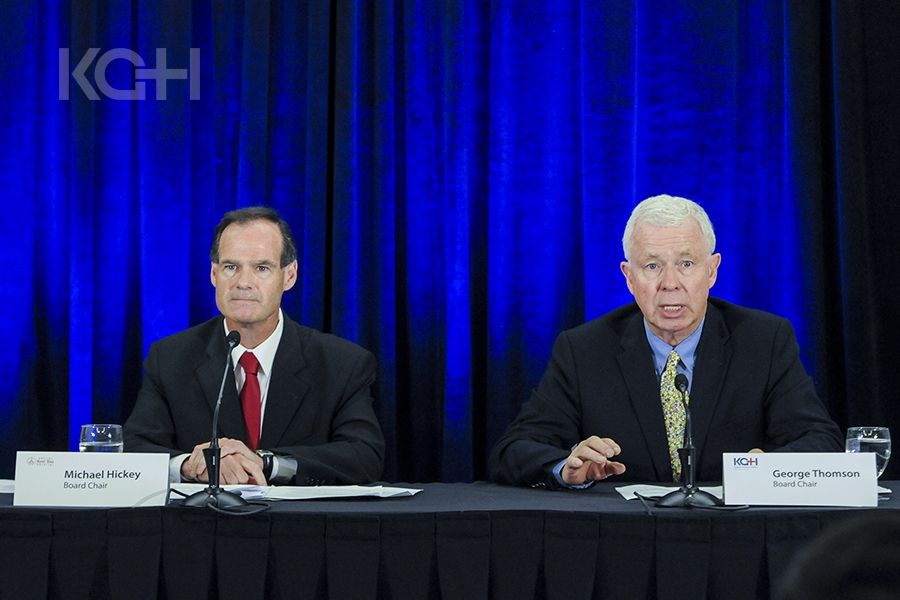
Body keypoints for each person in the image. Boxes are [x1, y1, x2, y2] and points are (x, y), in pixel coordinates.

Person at [489, 194, 842, 488]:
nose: (670, 283)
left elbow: (821, 440)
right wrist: (566, 467)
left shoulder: (764, 341)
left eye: (686, 263)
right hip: (625, 542)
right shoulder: (584, 350)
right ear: (629, 277)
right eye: (652, 266)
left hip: (733, 537)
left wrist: (770, 468)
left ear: (713, 271)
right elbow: (513, 449)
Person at [124, 206, 385, 486]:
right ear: (214, 275)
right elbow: (133, 447)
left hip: (300, 525)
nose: (243, 283)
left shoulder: (342, 363)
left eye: (261, 268)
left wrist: (267, 462)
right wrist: (190, 465)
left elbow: (364, 456)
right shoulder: (171, 358)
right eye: (231, 267)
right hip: (201, 525)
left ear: (290, 276)